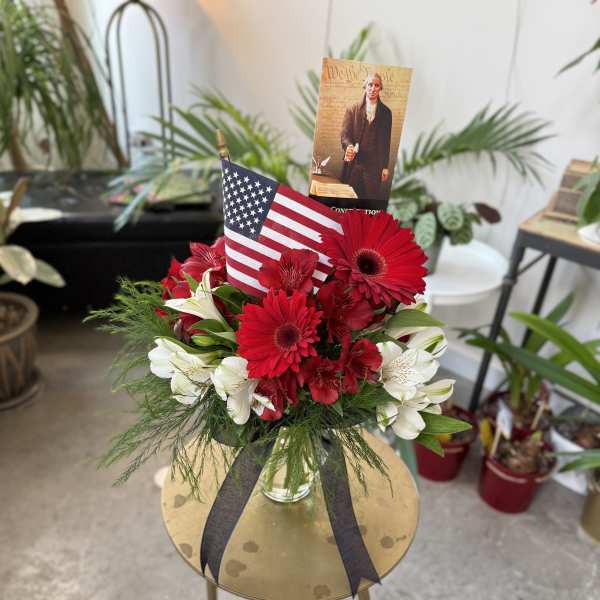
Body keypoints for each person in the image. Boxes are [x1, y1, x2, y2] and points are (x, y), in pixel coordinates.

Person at [340, 73, 392, 203]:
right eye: (370, 84)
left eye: (377, 85)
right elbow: (345, 134)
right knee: (348, 199)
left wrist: (385, 166)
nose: (373, 88)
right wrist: (349, 146)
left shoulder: (386, 113)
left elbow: (386, 142)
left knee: (369, 201)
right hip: (354, 164)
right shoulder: (352, 109)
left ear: (380, 88)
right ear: (365, 86)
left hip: (374, 167)